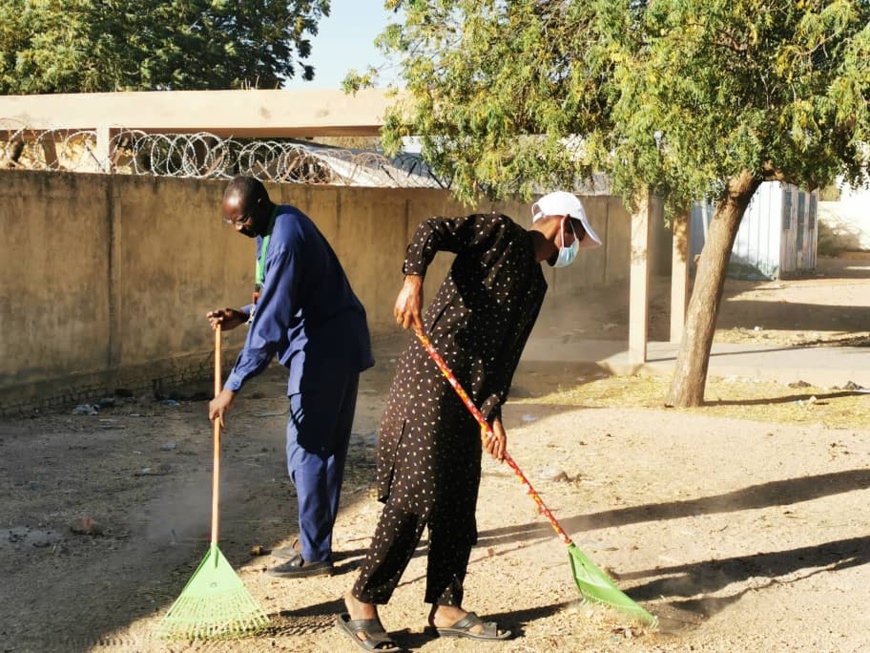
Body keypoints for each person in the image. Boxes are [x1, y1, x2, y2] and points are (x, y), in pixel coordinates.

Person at [336, 191, 602, 650]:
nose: (575, 246)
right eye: (577, 235)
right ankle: (363, 600)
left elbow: (505, 357)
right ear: (563, 225)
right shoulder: (499, 232)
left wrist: (492, 413)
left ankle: (446, 605)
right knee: (417, 489)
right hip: (431, 373)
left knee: (460, 495)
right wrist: (412, 280)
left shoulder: (535, 288)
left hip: (470, 396)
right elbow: (431, 230)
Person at [208, 176, 374, 578]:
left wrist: (232, 386)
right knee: (326, 452)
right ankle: (314, 538)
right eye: (231, 222)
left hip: (323, 352)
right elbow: (278, 299)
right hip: (338, 344)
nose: (238, 228)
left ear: (261, 204)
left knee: (306, 450)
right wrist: (243, 315)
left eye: (242, 219)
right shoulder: (276, 225)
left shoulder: (284, 238)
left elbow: (271, 328)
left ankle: (315, 555)